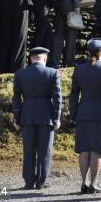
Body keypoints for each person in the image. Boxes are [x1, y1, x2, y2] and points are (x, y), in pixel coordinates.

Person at [69, 38, 101, 194]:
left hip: (83, 113)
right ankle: (93, 184)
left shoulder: (79, 70)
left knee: (84, 150)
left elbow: (73, 95)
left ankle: (84, 182)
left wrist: (73, 114)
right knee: (96, 150)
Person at [12, 47, 61, 190]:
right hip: (47, 115)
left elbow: (16, 98)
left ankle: (28, 182)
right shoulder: (53, 73)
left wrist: (17, 118)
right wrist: (57, 117)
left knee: (28, 151)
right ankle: (41, 181)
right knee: (45, 151)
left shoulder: (20, 74)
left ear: (30, 58)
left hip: (27, 115)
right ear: (45, 58)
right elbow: (57, 98)